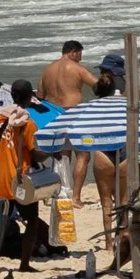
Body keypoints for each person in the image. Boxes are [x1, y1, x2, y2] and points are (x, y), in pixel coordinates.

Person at [0, 78, 48, 272]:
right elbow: (35, 153)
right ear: (29, 98)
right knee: (32, 221)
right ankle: (25, 264)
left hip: (0, 177)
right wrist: (53, 151)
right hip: (20, 179)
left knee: (1, 221)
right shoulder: (28, 123)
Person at [41, 41, 98, 203]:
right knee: (83, 155)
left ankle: (61, 192)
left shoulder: (47, 70)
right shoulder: (77, 68)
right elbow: (98, 85)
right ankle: (76, 197)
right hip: (74, 113)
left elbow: (40, 94)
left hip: (55, 115)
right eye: (80, 54)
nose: (80, 58)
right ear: (73, 52)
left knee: (63, 155)